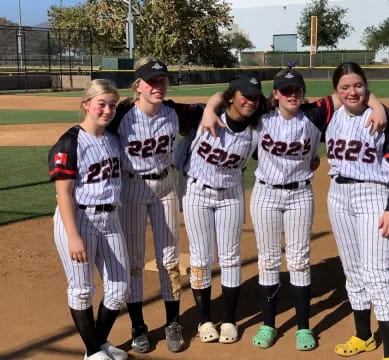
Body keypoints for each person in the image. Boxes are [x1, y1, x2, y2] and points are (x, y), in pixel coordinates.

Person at [200, 67, 387, 352]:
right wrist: (209, 110)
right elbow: (224, 96)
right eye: (285, 90)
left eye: (296, 90)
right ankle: (269, 324)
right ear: (274, 95)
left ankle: (303, 327)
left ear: (302, 93)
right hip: (265, 194)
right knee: (269, 260)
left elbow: (350, 95)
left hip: (300, 194)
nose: (291, 95)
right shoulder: (261, 114)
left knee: (299, 260)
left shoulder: (315, 113)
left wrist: (377, 107)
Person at [326, 62, 389, 360]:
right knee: (353, 271)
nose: (352, 91)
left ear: (366, 85)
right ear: (336, 92)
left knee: (376, 273)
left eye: (358, 85)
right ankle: (363, 336)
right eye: (345, 87)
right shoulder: (331, 115)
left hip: (373, 195)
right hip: (338, 195)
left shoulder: (382, 116)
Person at [178, 74, 265, 344]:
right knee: (201, 258)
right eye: (245, 95)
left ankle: (229, 319)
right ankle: (204, 319)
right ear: (231, 97)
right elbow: (165, 106)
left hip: (230, 196)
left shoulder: (256, 129)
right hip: (196, 192)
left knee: (230, 257)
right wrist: (209, 107)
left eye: (254, 97)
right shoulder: (201, 116)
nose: (250, 101)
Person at [107, 57, 185, 353]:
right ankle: (139, 327)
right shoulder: (121, 115)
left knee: (170, 258)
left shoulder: (174, 112)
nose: (158, 86)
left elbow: (217, 109)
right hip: (132, 188)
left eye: (162, 80)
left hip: (165, 187)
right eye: (151, 81)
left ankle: (173, 323)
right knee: (135, 261)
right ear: (137, 86)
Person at [48, 79, 129, 360]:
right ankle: (94, 352)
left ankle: (97, 343)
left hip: (111, 219)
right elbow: (63, 193)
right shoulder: (70, 142)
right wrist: (73, 236)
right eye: (101, 104)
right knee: (82, 289)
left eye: (113, 105)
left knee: (119, 287)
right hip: (79, 218)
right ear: (86, 104)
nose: (107, 110)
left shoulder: (112, 138)